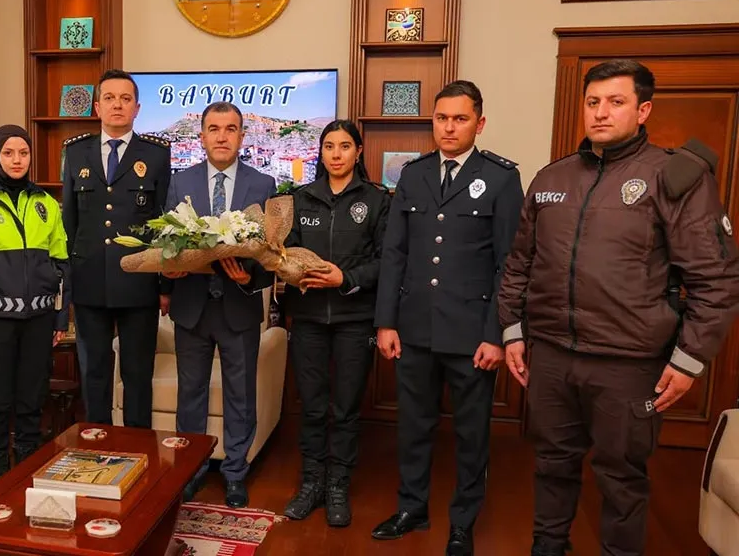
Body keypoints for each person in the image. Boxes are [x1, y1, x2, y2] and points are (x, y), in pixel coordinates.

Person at [498, 59, 739, 556]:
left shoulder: (674, 177)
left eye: (616, 102)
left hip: (628, 365)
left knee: (621, 478)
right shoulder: (551, 177)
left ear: (643, 110)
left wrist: (689, 359)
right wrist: (513, 331)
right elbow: (520, 263)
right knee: (551, 465)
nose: (601, 113)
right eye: (593, 102)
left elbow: (715, 279)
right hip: (552, 357)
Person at [372, 80, 524, 555]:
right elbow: (394, 253)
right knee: (413, 427)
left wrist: (497, 334)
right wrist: (386, 322)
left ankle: (463, 521)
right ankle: (412, 508)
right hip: (414, 327)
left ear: (480, 123)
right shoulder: (412, 174)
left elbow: (508, 264)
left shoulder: (500, 178)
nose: (449, 127)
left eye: (460, 118)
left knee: (471, 434)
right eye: (441, 118)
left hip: (472, 334)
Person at [160, 102, 277, 508]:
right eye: (214, 129)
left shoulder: (263, 184)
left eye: (230, 129)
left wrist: (251, 280)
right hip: (191, 307)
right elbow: (167, 242)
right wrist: (168, 277)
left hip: (238, 307)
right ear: (202, 137)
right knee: (190, 394)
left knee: (240, 396)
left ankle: (235, 474)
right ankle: (190, 471)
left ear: (242, 136)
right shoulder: (180, 182)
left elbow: (271, 252)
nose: (222, 136)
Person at [280, 120, 390, 526]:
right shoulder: (300, 199)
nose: (337, 154)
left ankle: (338, 485)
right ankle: (311, 483)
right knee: (311, 407)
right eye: (329, 146)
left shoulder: (377, 200)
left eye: (345, 146)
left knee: (345, 409)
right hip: (307, 317)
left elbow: (386, 261)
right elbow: (283, 253)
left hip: (355, 319)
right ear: (321, 152)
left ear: (358, 152)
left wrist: (346, 278)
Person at [62, 69, 172, 428]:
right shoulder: (75, 152)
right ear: (97, 107)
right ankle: (98, 443)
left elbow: (164, 225)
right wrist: (69, 283)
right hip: (89, 281)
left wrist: (164, 286)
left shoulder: (156, 155)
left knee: (137, 375)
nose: (117, 105)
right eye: (109, 98)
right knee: (94, 373)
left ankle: (137, 448)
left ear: (137, 108)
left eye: (126, 99)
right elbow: (69, 223)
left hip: (139, 284)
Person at [0, 125, 70, 481]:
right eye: (8, 153)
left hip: (39, 319)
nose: (17, 160)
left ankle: (25, 474)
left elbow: (61, 263)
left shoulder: (46, 203)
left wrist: (60, 318)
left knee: (32, 400)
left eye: (23, 153)